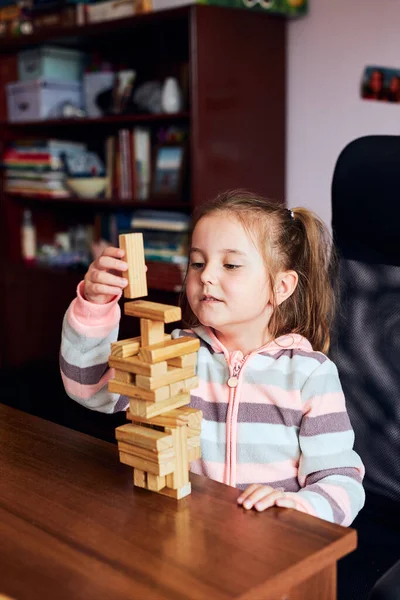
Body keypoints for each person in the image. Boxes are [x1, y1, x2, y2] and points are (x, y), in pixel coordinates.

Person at [60, 190, 365, 525]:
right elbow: (89, 388)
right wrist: (95, 305)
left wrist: (300, 508)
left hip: (269, 543)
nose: (206, 276)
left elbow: (340, 481)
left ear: (281, 287)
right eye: (197, 262)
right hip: (186, 532)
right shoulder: (176, 355)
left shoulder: (310, 375)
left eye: (230, 264)